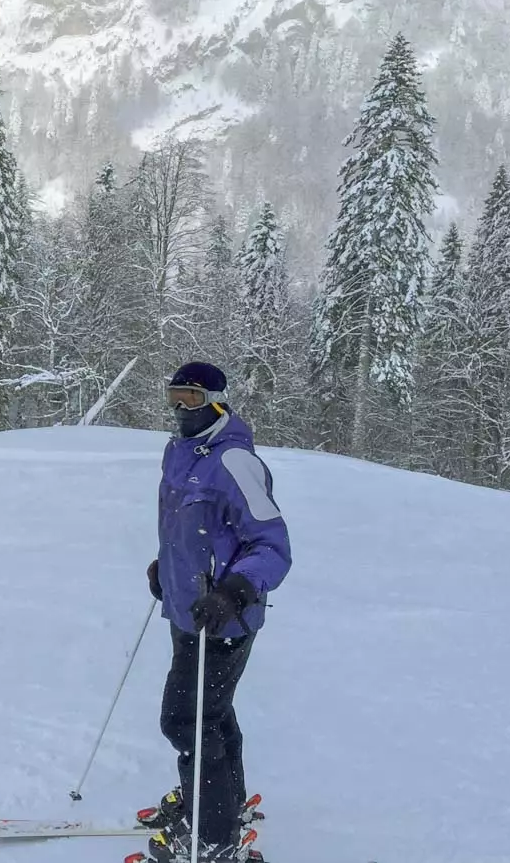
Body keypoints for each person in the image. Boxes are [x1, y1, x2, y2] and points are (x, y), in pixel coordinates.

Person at [141, 362, 291, 863]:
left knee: (184, 719)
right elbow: (193, 526)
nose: (181, 408)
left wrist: (235, 591)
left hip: (225, 618)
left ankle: (212, 836)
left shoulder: (234, 462)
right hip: (188, 609)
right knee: (211, 713)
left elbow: (271, 545)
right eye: (175, 397)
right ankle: (218, 803)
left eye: (192, 399)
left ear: (217, 400)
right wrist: (168, 563)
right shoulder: (179, 452)